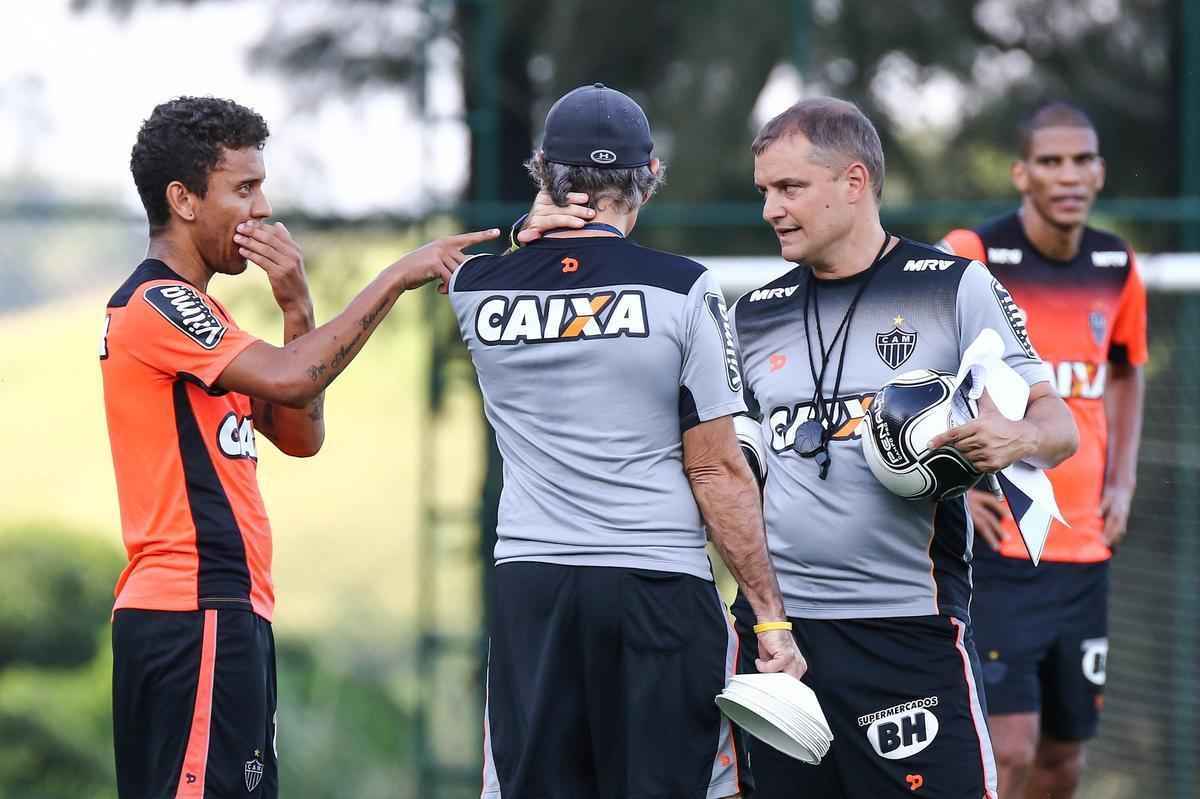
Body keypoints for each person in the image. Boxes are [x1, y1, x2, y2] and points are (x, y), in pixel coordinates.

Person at [522, 96, 1078, 798]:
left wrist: (1016, 436)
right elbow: (713, 458)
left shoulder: (953, 288)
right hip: (778, 644)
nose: (770, 210)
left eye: (789, 189)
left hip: (906, 635)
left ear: (853, 182)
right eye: (763, 192)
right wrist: (535, 247)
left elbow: (1061, 426)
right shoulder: (752, 314)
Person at [100, 95, 497, 799]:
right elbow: (291, 375)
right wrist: (396, 277)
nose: (262, 207)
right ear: (184, 200)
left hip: (228, 613)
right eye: (244, 188)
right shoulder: (158, 304)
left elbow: (299, 432)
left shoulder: (205, 315)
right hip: (192, 612)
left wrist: (296, 307)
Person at [448, 83, 805, 799]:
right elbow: (717, 470)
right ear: (648, 179)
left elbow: (509, 261)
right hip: (657, 585)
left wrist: (525, 228)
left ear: (546, 171)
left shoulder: (475, 290)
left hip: (533, 584)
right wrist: (770, 615)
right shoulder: (684, 289)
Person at [939, 101, 1147, 798]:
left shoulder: (1116, 264)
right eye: (1051, 161)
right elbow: (915, 373)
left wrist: (1121, 480)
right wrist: (957, 482)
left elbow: (1124, 368)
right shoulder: (972, 254)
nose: (1069, 175)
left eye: (1082, 159)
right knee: (1010, 747)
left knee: (1063, 759)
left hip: (1085, 549)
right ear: (1020, 173)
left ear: (1100, 171)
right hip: (1001, 553)